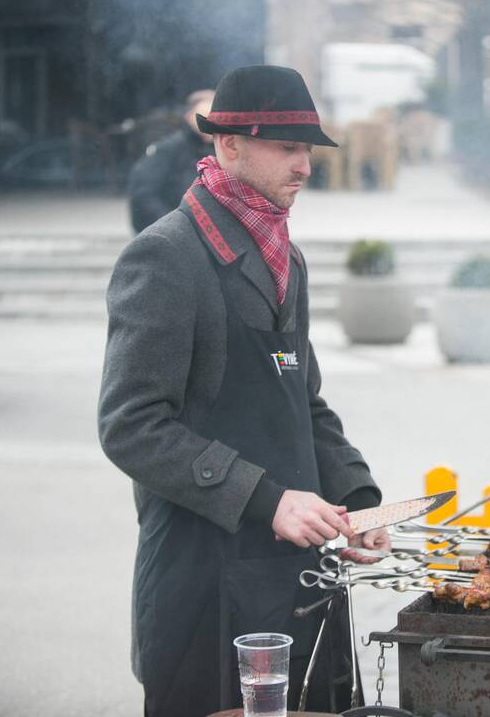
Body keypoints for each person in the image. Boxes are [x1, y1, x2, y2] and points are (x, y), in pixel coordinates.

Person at [98, 65, 389, 716]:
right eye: (287, 147)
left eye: (308, 148)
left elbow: (303, 401)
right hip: (204, 580)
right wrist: (266, 497)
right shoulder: (166, 256)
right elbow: (131, 425)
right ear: (227, 145)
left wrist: (356, 497)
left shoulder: (289, 259)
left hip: (293, 573)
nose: (305, 165)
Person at [127, 89, 216, 234]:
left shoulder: (228, 151)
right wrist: (173, 227)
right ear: (188, 117)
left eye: (213, 118)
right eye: (202, 117)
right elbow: (144, 194)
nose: (208, 124)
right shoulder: (169, 149)